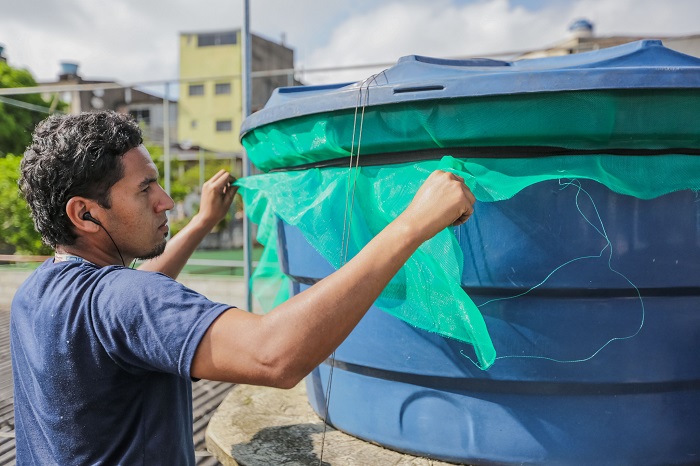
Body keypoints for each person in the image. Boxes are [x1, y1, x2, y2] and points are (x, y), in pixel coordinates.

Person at [11, 110, 476, 465]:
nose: (165, 201)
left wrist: (201, 223)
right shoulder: (124, 300)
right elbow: (273, 354)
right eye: (145, 188)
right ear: (84, 214)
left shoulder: (36, 295)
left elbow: (129, 307)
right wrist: (412, 224)